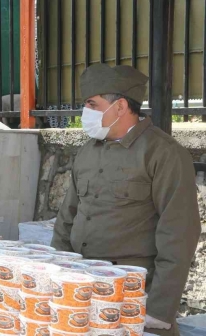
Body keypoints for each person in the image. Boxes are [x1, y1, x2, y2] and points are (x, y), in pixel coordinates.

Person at [51, 63, 200, 336]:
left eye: (92, 105)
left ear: (119, 107)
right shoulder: (87, 151)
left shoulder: (163, 153)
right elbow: (67, 219)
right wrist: (58, 275)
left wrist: (158, 309)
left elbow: (179, 234)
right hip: (82, 288)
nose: (85, 113)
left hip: (132, 295)